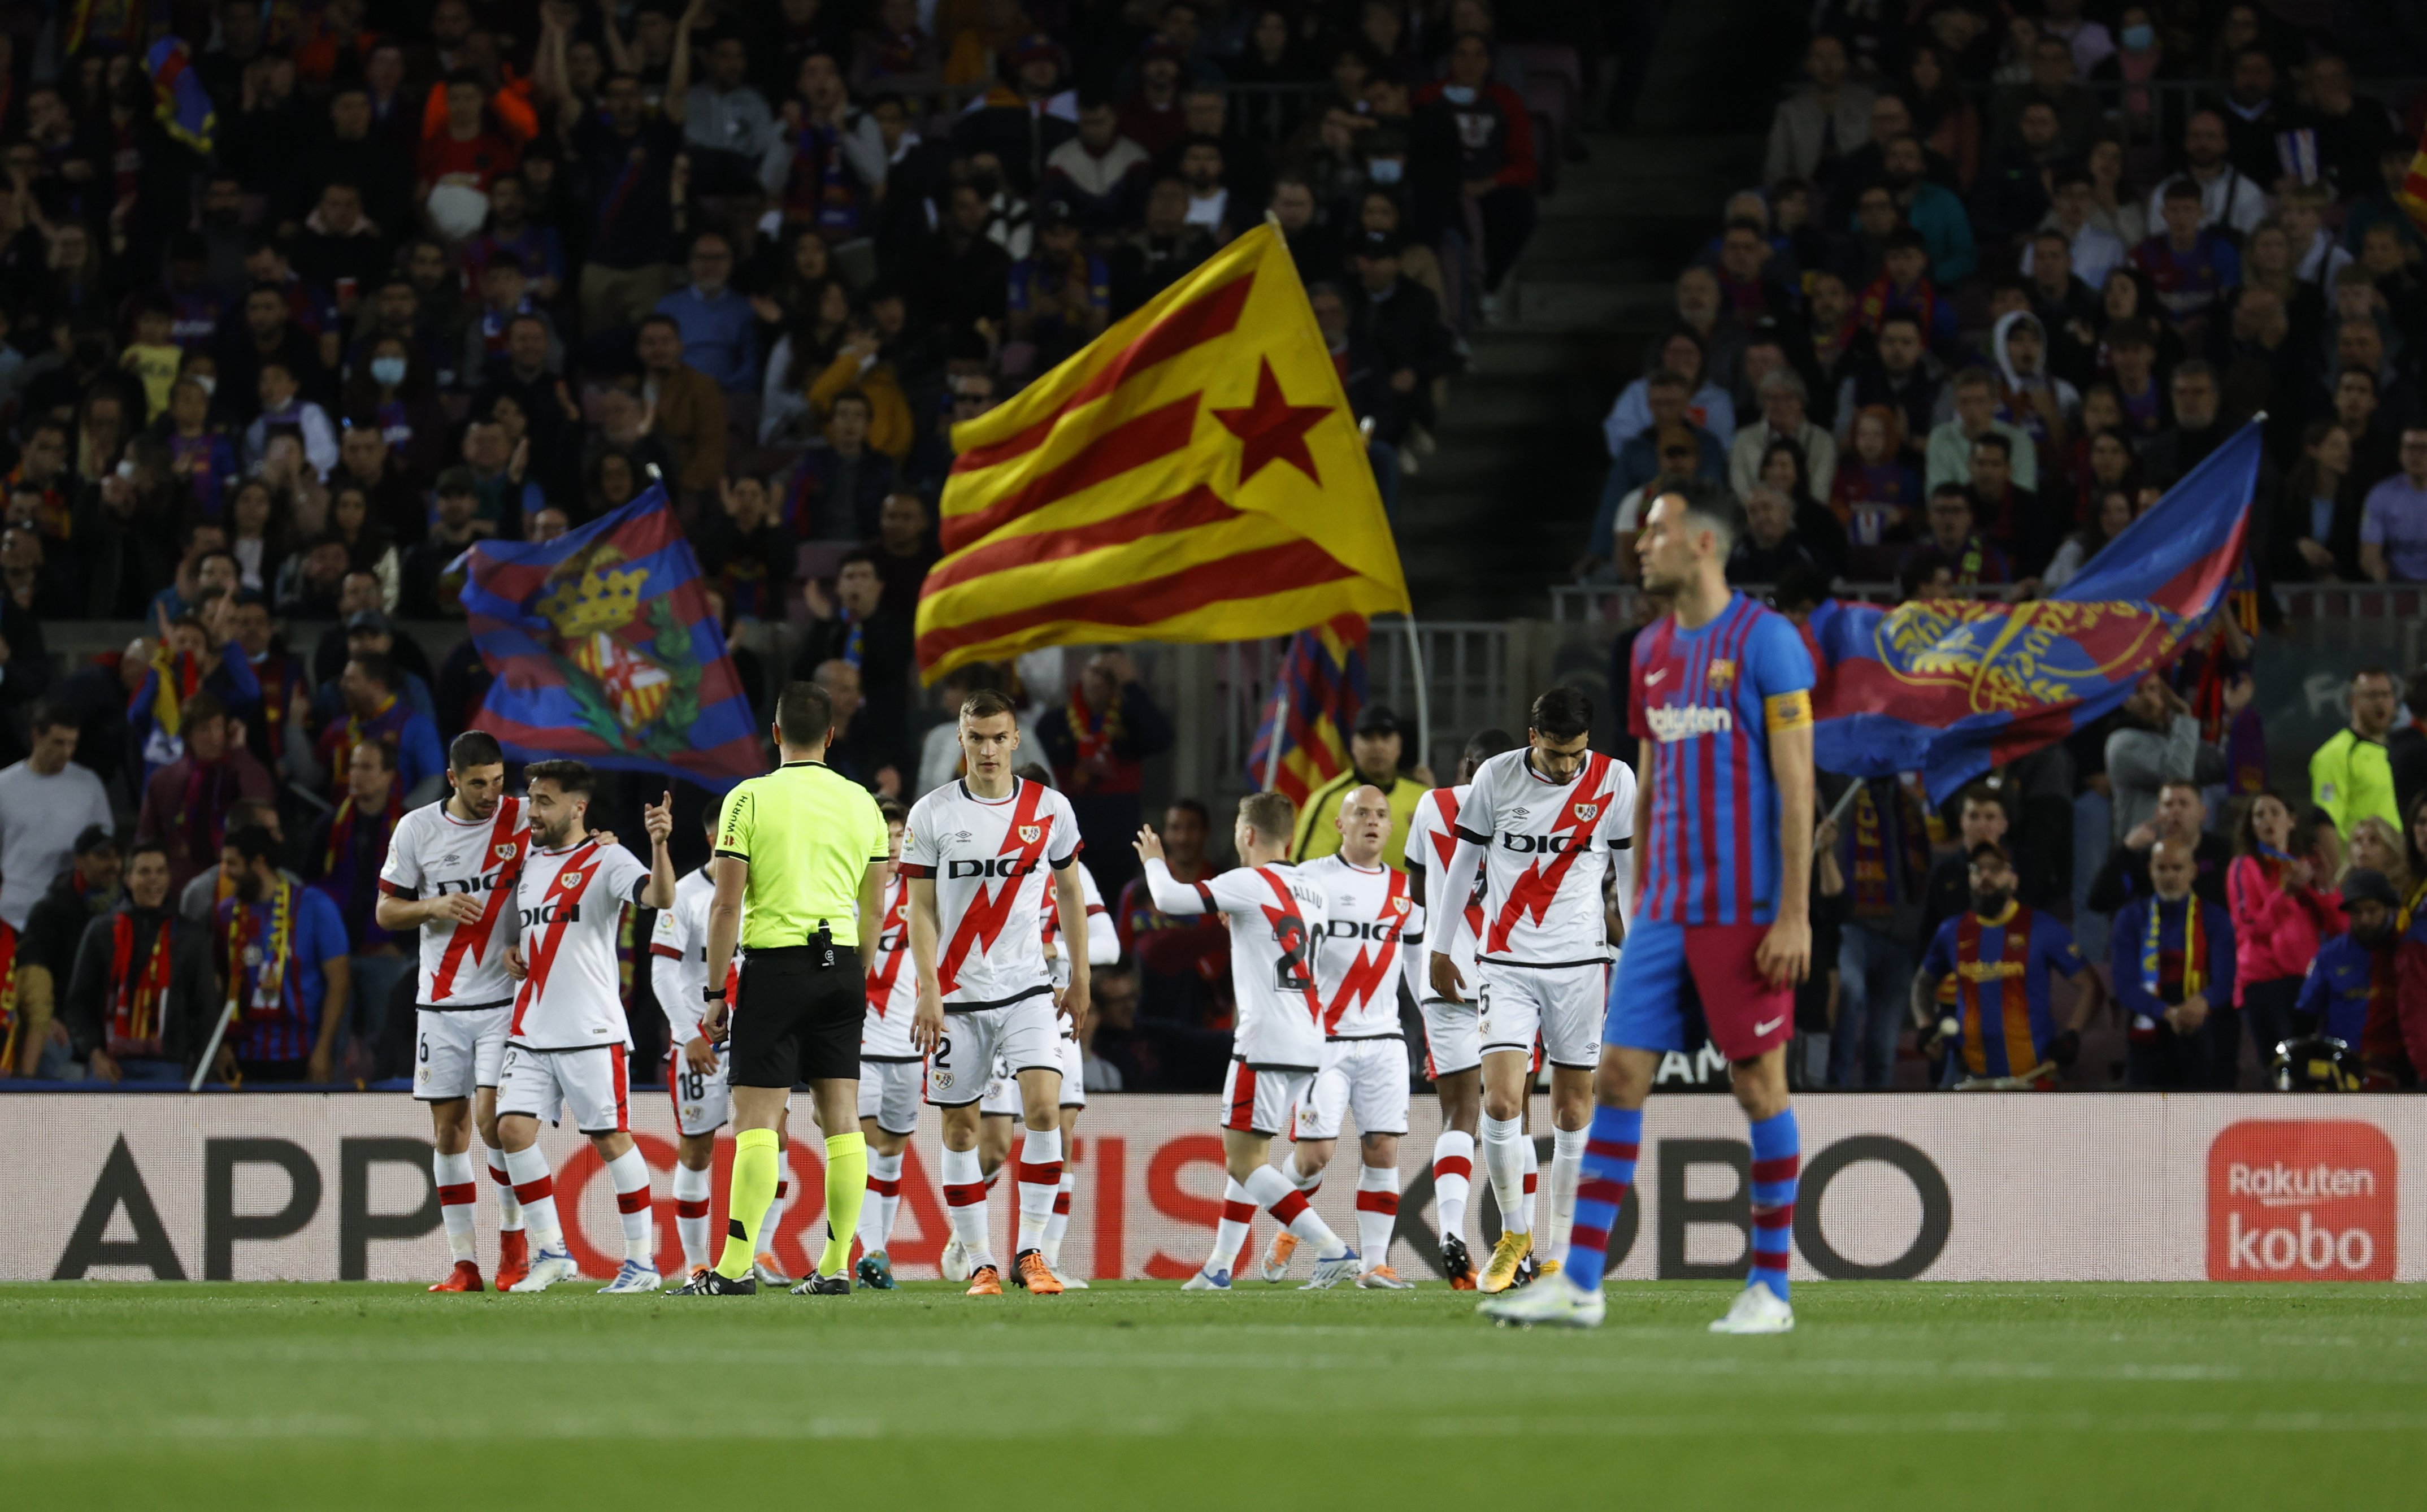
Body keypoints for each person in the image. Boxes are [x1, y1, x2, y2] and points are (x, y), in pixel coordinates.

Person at [1483, 486, 1814, 1335]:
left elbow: (1795, 783)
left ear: (1703, 543)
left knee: (1756, 1084)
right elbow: (1651, 782)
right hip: (1662, 910)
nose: (1640, 543)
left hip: (1743, 908)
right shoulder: (1648, 652)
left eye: (1658, 531)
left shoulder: (1767, 643)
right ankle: (1580, 1283)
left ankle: (1769, 1291)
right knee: (1617, 1078)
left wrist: (1793, 914)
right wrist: (1634, 907)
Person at [1420, 684, 1636, 1293]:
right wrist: (1440, 946)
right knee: (1498, 1103)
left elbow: (1630, 872)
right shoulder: (1495, 776)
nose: (1567, 767)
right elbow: (1463, 864)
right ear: (1532, 736)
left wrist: (1640, 956)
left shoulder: (1614, 781)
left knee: (1571, 1109)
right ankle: (1514, 1235)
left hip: (1579, 965)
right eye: (1556, 753)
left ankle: (1560, 1253)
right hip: (1505, 962)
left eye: (1577, 754)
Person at [684, 683, 893, 1297]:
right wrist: (855, 970)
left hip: (774, 968)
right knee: (842, 1120)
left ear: (773, 735)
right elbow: (875, 909)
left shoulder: (746, 799)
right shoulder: (862, 804)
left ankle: (732, 1268)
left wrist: (715, 992)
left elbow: (725, 906)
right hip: (841, 969)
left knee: (753, 1120)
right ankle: (832, 1269)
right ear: (831, 735)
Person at [889, 690, 1092, 1296]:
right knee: (959, 1132)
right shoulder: (931, 813)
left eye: (996, 737)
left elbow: (1071, 893)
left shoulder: (1050, 809)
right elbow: (918, 910)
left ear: (1013, 741)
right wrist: (927, 989)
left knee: (1042, 1111)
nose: (985, 749)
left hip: (1028, 987)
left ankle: (1030, 1253)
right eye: (974, 737)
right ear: (960, 739)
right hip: (956, 995)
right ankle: (979, 1261)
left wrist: (1078, 977)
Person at [1136, 791, 1360, 1291]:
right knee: (1251, 1156)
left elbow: (1170, 900)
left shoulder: (1245, 882)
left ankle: (1332, 1249)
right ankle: (1218, 1267)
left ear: (1247, 834)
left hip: (1264, 1038)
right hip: (1308, 1036)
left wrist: (1155, 863)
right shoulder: (1312, 889)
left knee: (1242, 1159)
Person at [491, 762, 677, 1295]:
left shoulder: (607, 857)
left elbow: (659, 899)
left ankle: (642, 1262)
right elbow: (528, 924)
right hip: (531, 1027)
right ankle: (551, 1253)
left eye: (545, 801)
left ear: (578, 807)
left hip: (590, 1030)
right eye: (531, 799)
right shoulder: (527, 860)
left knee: (611, 1138)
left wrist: (659, 844)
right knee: (511, 1132)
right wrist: (512, 947)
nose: (533, 811)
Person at [375, 732, 534, 1292]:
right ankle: (464, 1263)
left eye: (497, 781)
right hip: (440, 1004)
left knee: (493, 1123)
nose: (492, 794)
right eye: (478, 785)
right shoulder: (417, 829)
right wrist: (433, 906)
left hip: (501, 1002)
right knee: (449, 1134)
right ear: (452, 780)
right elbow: (385, 910)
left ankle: (514, 1244)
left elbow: (574, 853)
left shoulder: (521, 817)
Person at [1253, 785, 1425, 1291]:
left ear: (1391, 829)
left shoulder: (1406, 890)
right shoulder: (1312, 880)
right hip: (1321, 1039)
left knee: (1382, 1150)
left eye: (1380, 815)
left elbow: (1415, 963)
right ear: (1340, 824)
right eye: (1361, 814)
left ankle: (1374, 1264)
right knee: (1314, 1157)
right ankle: (1291, 1224)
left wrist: (1431, 1017)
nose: (1372, 822)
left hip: (1384, 1039)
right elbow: (1273, 928)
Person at [651, 806, 789, 1289]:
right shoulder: (686, 896)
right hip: (701, 1041)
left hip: (756, 1036)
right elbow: (663, 969)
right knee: (697, 1148)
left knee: (775, 1139)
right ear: (716, 838)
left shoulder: (767, 891)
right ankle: (694, 1261)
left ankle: (762, 1249)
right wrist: (685, 1031)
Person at [1401, 727, 1517, 1288]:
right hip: (1513, 979)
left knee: (1460, 1115)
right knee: (1507, 1114)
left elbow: (1414, 900)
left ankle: (1452, 1232)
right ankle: (1513, 1244)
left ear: (1465, 766)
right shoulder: (1529, 810)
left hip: (1441, 977)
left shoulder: (1430, 804)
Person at [1912, 841, 2103, 1087]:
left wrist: (2071, 1037)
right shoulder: (1951, 932)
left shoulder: (2043, 928)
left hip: (2032, 1078)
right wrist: (1926, 1026)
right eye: (1978, 869)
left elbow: (2091, 986)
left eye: (1996, 869)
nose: (1986, 876)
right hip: (1970, 1076)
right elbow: (1922, 984)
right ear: (1969, 879)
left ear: (2014, 881)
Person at [61, 841, 221, 1083]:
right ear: (127, 879)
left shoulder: (192, 937)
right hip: (109, 1067)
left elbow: (206, 1011)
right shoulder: (101, 931)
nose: (154, 880)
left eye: (161, 871)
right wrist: (94, 1054)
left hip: (169, 1069)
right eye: (144, 872)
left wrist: (200, 1072)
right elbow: (78, 1004)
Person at [208, 825, 351, 1087]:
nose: (225, 872)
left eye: (233, 863)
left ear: (259, 862)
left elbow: (339, 983)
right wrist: (223, 1044)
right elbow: (220, 983)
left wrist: (323, 1051)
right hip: (244, 1053)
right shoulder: (226, 914)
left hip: (302, 1052)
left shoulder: (315, 906)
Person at [2229, 789, 2340, 1086]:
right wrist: (2286, 894)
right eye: (2259, 815)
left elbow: (2339, 927)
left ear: (2291, 821)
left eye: (2274, 812)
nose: (2267, 820)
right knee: (2281, 1071)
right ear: (2251, 826)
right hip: (2265, 983)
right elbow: (2250, 927)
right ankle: (2277, 1133)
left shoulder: (2303, 867)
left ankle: (2307, 1132)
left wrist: (2326, 890)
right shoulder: (2244, 867)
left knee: (2309, 1070)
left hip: (2307, 981)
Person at [1829, 775, 1931, 1090]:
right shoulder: (1845, 795)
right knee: (1849, 991)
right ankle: (1832, 1097)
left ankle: (1877, 1118)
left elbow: (1926, 861)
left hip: (1901, 935)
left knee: (1882, 1050)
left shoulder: (1912, 803)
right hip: (1854, 928)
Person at [850, 801, 915, 1289]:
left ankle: (879, 1253)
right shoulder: (851, 887)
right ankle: (869, 1248)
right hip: (858, 1038)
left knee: (891, 1149)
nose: (893, 845)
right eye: (886, 835)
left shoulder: (928, 892)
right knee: (864, 1144)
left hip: (912, 1042)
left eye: (899, 835)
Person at [2112, 836, 2235, 1089]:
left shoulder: (2215, 918)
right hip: (2148, 1023)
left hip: (2200, 1023)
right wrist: (2167, 1013)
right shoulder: (2130, 918)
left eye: (2177, 868)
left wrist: (2202, 1002)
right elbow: (2124, 985)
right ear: (2150, 871)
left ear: (2192, 871)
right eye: (2162, 868)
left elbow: (2225, 981)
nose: (2169, 876)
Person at [133, 692, 277, 896]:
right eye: (204, 730)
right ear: (188, 736)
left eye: (219, 727)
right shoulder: (165, 779)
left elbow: (261, 804)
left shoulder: (241, 769)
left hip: (236, 880)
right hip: (179, 882)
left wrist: (240, 751)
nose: (214, 738)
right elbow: (146, 839)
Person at [0, 707, 116, 932]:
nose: (67, 752)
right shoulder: (4, 787)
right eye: (58, 743)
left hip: (70, 914)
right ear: (37, 736)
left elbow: (105, 848)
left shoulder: (88, 785)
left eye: (72, 744)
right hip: (14, 913)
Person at [1291, 704, 1430, 868]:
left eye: (1385, 737)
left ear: (1399, 745)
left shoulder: (1423, 797)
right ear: (1353, 745)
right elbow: (1305, 869)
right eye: (1368, 738)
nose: (1377, 746)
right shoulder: (1329, 800)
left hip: (1410, 895)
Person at [2294, 869, 2400, 1065]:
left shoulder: (2405, 953)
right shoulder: (2330, 955)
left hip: (2395, 1065)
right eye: (2357, 912)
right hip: (2341, 1064)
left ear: (2389, 909)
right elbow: (2307, 1011)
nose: (2365, 920)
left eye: (2372, 910)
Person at [2107, 674, 2226, 846]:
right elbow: (2178, 778)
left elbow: (2217, 764)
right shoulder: (2122, 742)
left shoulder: (2171, 737)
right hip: (2144, 855)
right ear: (2124, 701)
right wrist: (2184, 712)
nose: (2149, 697)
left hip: (2181, 854)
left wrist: (2234, 713)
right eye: (2139, 691)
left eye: (2153, 689)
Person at [2312, 667, 2401, 839]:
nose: (2380, 703)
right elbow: (2325, 821)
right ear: (2353, 701)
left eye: (2386, 695)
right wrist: (2339, 867)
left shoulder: (2390, 753)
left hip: (2392, 864)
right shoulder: (2336, 754)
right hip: (2357, 864)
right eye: (2372, 696)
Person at [2359, 428, 2427, 584]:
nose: (2415, 455)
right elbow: (2369, 555)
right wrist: (2378, 572)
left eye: (2423, 448)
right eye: (2410, 448)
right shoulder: (2381, 495)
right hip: (2397, 588)